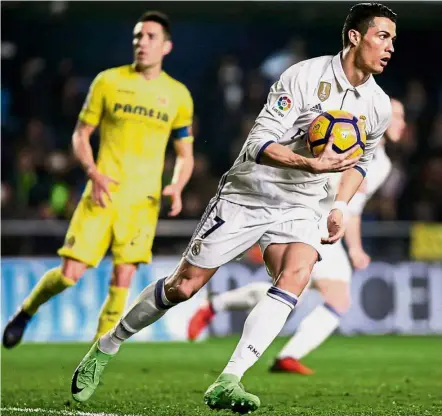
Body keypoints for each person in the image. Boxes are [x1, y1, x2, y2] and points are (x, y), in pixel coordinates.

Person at [71, 3, 396, 413]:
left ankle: (229, 380)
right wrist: (309, 162)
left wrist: (340, 205)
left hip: (303, 202)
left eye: (393, 41)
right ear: (355, 36)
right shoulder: (303, 77)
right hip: (250, 191)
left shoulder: (378, 105)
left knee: (296, 272)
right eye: (382, 37)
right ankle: (107, 345)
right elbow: (258, 144)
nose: (389, 48)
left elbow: (361, 162)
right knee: (183, 287)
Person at [2, 11, 194, 348]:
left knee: (123, 277)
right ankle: (26, 311)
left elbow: (185, 154)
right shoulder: (108, 81)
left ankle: (93, 357)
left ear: (167, 46)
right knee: (69, 275)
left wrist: (177, 186)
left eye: (150, 37)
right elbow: (81, 134)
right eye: (138, 36)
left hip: (143, 203)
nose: (142, 43)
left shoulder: (178, 95)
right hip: (101, 194)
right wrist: (93, 171)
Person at [187, 99, 406, 375]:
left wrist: (355, 247)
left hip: (328, 229)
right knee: (320, 295)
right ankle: (279, 355)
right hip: (305, 221)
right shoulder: (338, 138)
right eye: (397, 116)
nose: (402, 123)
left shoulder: (382, 164)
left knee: (294, 293)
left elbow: (353, 208)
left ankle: (217, 308)